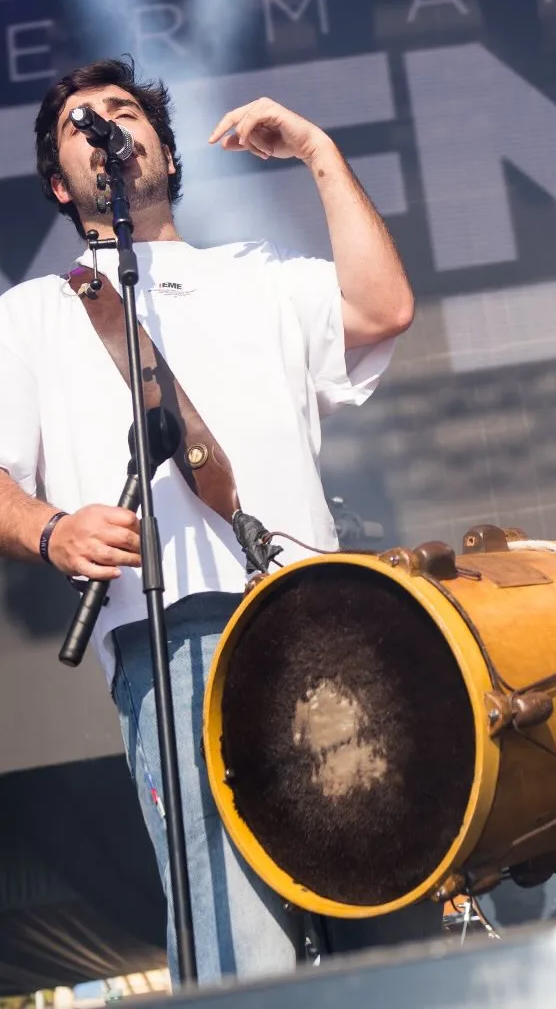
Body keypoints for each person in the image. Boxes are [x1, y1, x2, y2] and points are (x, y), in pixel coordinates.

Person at [0, 57, 437, 983]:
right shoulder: (35, 312)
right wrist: (49, 531)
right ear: (58, 183)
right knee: (238, 933)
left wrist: (317, 151)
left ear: (163, 151)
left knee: (382, 894)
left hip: (316, 612)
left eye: (124, 111)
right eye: (82, 121)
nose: (107, 125)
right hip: (174, 631)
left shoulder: (257, 276)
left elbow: (384, 307)